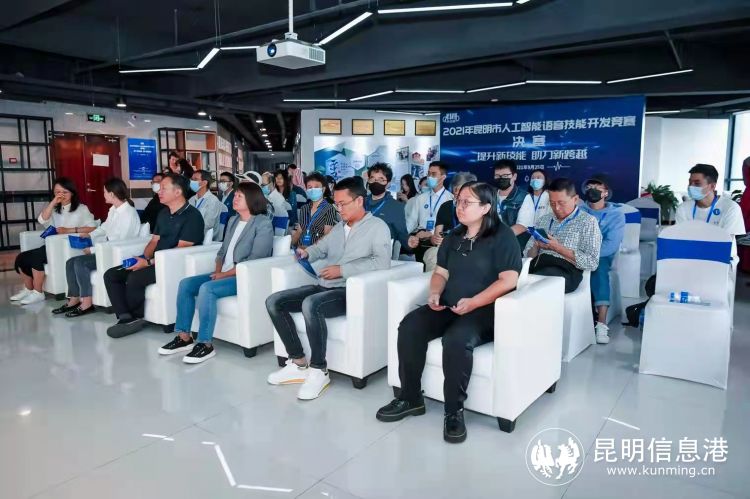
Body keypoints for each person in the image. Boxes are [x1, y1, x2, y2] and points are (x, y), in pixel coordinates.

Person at [376, 181, 522, 444]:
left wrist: (475, 302)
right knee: (410, 325)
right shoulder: (454, 236)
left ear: (486, 207)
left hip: (485, 310)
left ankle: (454, 411)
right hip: (450, 304)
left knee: (456, 339)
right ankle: (410, 397)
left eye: (467, 202)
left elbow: (508, 280)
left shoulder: (503, 236)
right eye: (458, 201)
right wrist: (434, 292)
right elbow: (441, 272)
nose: (460, 207)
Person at [265, 177, 392, 400]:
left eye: (343, 204)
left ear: (359, 201)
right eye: (336, 204)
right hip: (324, 286)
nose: (338, 209)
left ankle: (318, 369)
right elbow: (320, 248)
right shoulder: (339, 228)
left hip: (349, 292)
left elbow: (381, 263)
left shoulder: (377, 227)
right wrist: (306, 252)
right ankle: (298, 362)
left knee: (311, 304)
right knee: (274, 301)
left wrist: (343, 270)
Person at [158, 182, 274, 363]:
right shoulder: (233, 220)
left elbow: (255, 260)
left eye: (239, 196)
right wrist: (218, 271)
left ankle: (205, 344)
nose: (234, 199)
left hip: (244, 277)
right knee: (186, 284)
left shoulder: (262, 223)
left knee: (207, 288)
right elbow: (221, 252)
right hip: (224, 273)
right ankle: (184, 337)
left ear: (252, 199)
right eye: (235, 195)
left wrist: (223, 275)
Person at [103, 174, 204, 338]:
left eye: (164, 188)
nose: (159, 191)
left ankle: (136, 316)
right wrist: (143, 258)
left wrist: (148, 263)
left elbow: (180, 251)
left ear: (178, 192)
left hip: (172, 264)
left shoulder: (193, 216)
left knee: (135, 277)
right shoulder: (163, 213)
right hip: (154, 261)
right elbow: (154, 241)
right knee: (111, 274)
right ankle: (126, 318)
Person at [53, 178, 142, 317]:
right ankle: (74, 299)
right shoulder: (114, 210)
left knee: (80, 263)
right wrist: (89, 235)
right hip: (106, 250)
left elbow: (119, 242)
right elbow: (104, 227)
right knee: (70, 262)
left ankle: (87, 303)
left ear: (112, 194)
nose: (103, 195)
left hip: (117, 254)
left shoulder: (128, 214)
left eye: (105, 192)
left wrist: (93, 250)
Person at [11, 177, 96, 305]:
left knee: (36, 257)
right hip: (52, 245)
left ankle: (38, 293)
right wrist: (52, 203)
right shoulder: (55, 209)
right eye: (57, 192)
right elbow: (42, 220)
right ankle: (29, 289)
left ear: (72, 193)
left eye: (65, 192)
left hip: (68, 246)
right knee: (21, 258)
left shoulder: (82, 209)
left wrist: (69, 230)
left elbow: (93, 227)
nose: (61, 195)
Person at [523, 178, 601, 293]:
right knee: (510, 277)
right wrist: (536, 246)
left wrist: (557, 248)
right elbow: (528, 255)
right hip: (538, 265)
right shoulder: (543, 220)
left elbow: (592, 263)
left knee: (537, 286)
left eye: (561, 203)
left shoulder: (588, 222)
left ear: (575, 199)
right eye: (552, 203)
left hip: (566, 270)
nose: (557, 208)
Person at [580, 175, 625, 344]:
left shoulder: (616, 215)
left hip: (602, 255)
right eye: (589, 187)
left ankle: (601, 323)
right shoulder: (579, 210)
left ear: (606, 192)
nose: (592, 190)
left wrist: (588, 256)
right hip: (576, 252)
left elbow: (611, 245)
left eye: (597, 187)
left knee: (598, 269)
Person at [675, 163, 745, 259]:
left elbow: (724, 243)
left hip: (721, 260)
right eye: (690, 182)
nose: (691, 186)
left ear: (712, 186)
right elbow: (680, 239)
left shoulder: (730, 208)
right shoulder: (683, 208)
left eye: (697, 183)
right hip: (690, 258)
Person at [423, 172, 478, 271]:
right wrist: (435, 239)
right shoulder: (446, 206)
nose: (458, 196)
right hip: (447, 248)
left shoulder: (477, 208)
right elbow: (437, 235)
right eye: (456, 192)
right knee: (432, 254)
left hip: (470, 249)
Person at [406, 162, 454, 263]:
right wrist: (406, 236)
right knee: (420, 269)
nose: (429, 177)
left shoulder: (450, 199)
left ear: (443, 177)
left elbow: (452, 225)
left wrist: (431, 233)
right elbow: (411, 222)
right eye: (428, 174)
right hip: (421, 241)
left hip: (439, 242)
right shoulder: (420, 198)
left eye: (433, 174)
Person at [366, 163, 409, 252]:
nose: (375, 182)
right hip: (357, 249)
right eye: (372, 178)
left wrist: (410, 243)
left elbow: (402, 234)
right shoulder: (360, 203)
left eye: (381, 179)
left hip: (381, 252)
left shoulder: (396, 207)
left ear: (388, 183)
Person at [493, 160, 535, 249]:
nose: (501, 178)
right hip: (490, 245)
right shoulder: (489, 195)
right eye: (497, 176)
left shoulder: (524, 197)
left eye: (505, 176)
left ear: (514, 176)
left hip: (513, 246)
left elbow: (522, 226)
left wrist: (498, 238)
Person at [290, 172, 338, 248]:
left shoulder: (329, 209)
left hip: (317, 251)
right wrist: (289, 246)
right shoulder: (304, 208)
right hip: (300, 248)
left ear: (323, 189)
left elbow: (327, 235)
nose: (313, 190)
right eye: (309, 187)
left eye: (316, 187)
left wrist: (309, 250)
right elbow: (299, 231)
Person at [189, 170, 226, 241]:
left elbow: (208, 225)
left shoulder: (213, 201)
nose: (191, 181)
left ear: (204, 183)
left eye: (195, 179)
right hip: (190, 235)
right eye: (191, 179)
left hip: (206, 239)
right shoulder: (191, 199)